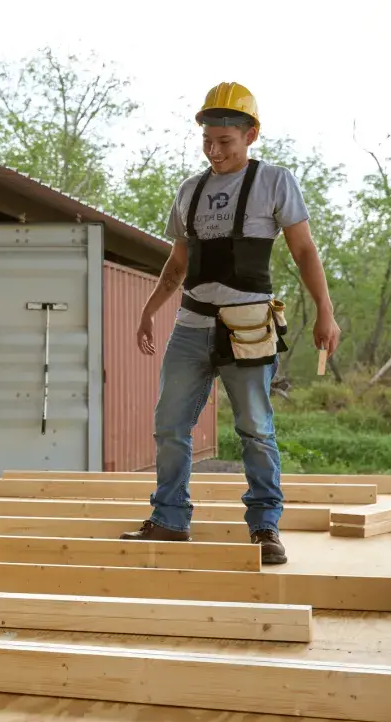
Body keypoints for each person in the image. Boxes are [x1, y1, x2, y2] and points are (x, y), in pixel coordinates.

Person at [122, 82, 341, 565]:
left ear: (251, 135)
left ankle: (265, 527)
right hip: (191, 324)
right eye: (207, 141)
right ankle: (169, 519)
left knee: (255, 429)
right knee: (170, 426)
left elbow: (303, 250)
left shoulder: (275, 182)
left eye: (225, 141)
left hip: (247, 327)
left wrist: (325, 309)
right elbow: (178, 262)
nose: (214, 151)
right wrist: (148, 309)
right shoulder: (189, 191)